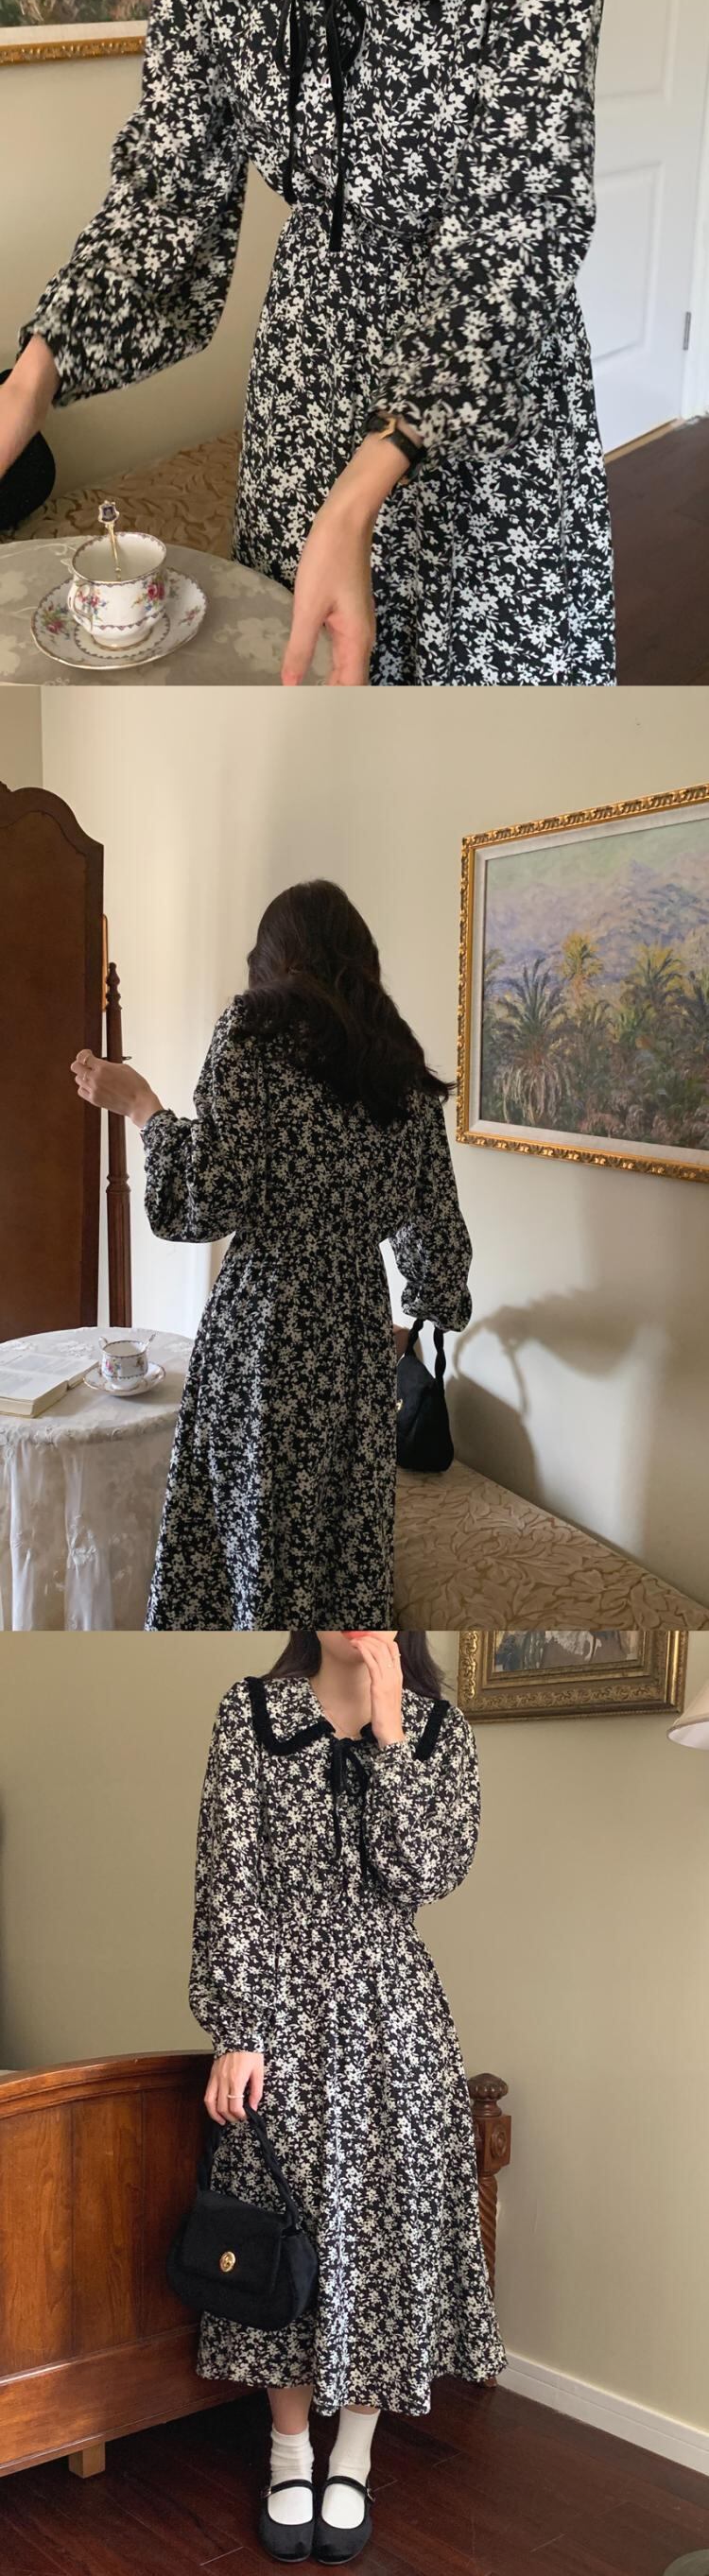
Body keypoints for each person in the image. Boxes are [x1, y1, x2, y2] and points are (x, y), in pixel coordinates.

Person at [5, 0, 622, 687]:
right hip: (305, 388)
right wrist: (30, 379)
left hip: (486, 395)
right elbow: (168, 193)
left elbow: (521, 213)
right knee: (319, 722)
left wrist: (368, 484)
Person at [71, 880, 472, 1626]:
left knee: (247, 1549)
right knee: (339, 1553)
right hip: (355, 1340)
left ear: (276, 960)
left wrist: (141, 1106)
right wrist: (404, 1310)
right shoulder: (399, 1069)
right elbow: (440, 1255)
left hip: (265, 1333)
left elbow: (200, 1201)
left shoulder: (252, 1035)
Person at [189, 1626, 504, 2561]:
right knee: (278, 2227)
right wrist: (236, 2027)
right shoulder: (250, 1712)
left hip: (395, 2023)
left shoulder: (442, 1730)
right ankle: (290, 2450)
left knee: (383, 2235)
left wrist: (392, 1728)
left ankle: (354, 2457)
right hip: (277, 2021)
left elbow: (425, 1873)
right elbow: (227, 1880)